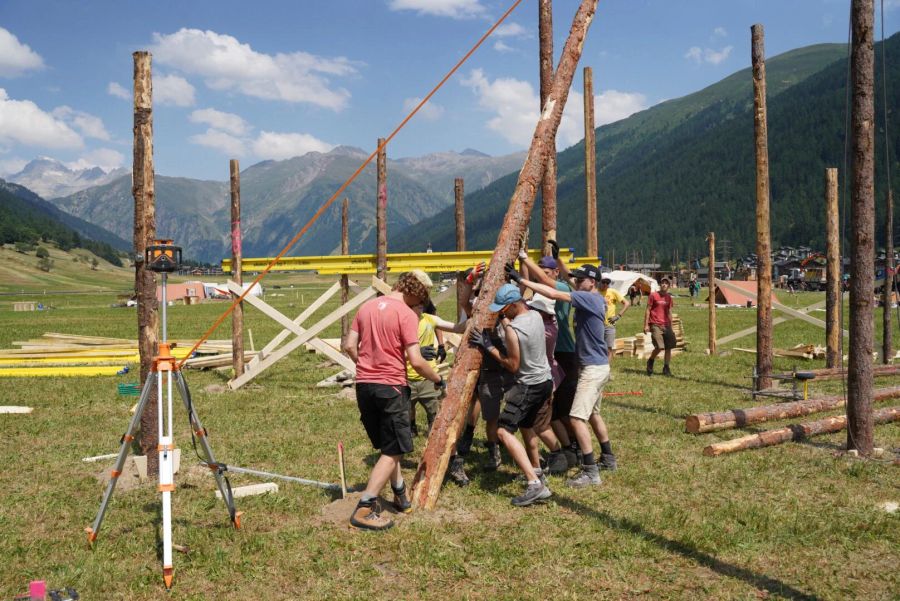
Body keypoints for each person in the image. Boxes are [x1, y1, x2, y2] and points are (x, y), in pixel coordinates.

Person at [342, 271, 445, 530]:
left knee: (388, 445)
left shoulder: (366, 307)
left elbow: (349, 346)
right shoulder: (406, 314)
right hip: (391, 387)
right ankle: (365, 508)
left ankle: (399, 493)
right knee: (394, 450)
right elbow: (417, 361)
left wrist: (366, 367)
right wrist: (438, 379)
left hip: (364, 385)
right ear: (415, 292)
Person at [510, 263, 617, 487]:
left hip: (592, 369)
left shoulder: (590, 298)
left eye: (581, 280)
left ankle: (590, 471)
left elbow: (554, 291)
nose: (576, 283)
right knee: (594, 415)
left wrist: (521, 280)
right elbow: (568, 283)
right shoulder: (592, 296)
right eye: (576, 280)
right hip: (597, 366)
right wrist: (559, 262)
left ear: (593, 283)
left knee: (577, 418)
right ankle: (608, 457)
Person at [469, 283, 554, 506]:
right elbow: (516, 323)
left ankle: (534, 485)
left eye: (503, 310)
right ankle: (537, 470)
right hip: (545, 382)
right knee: (527, 426)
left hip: (528, 385)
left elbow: (512, 365)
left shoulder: (513, 330)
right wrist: (505, 320)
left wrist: (488, 346)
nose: (501, 313)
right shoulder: (535, 315)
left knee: (504, 432)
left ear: (513, 305)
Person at [516, 245, 579, 473]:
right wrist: (522, 264)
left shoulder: (558, 287)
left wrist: (524, 257)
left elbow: (542, 280)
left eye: (545, 269)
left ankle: (574, 448)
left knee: (563, 409)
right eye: (540, 268)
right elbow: (526, 283)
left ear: (555, 272)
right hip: (550, 357)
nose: (541, 272)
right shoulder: (538, 292)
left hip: (563, 353)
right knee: (553, 410)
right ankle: (569, 448)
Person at [407, 300, 466, 437]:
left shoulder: (429, 319)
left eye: (422, 305)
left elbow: (457, 327)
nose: (421, 307)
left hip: (428, 375)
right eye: (417, 305)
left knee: (433, 407)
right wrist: (416, 352)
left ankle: (432, 430)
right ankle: (411, 426)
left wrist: (470, 318)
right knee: (408, 408)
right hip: (406, 376)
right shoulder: (401, 323)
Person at [644, 277, 676, 377]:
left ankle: (666, 367)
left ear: (669, 286)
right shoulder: (653, 295)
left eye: (666, 283)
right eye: (663, 283)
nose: (664, 285)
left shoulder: (669, 298)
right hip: (655, 324)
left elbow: (669, 312)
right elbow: (648, 310)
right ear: (660, 284)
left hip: (666, 325)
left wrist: (671, 326)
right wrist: (645, 325)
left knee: (669, 347)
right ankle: (651, 360)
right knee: (659, 347)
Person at [598, 277, 630, 366]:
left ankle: (606, 370)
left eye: (607, 283)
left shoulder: (612, 292)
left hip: (609, 325)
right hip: (597, 324)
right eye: (603, 282)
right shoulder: (595, 292)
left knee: (609, 348)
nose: (605, 285)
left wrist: (618, 316)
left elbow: (627, 303)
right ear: (599, 282)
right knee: (598, 347)